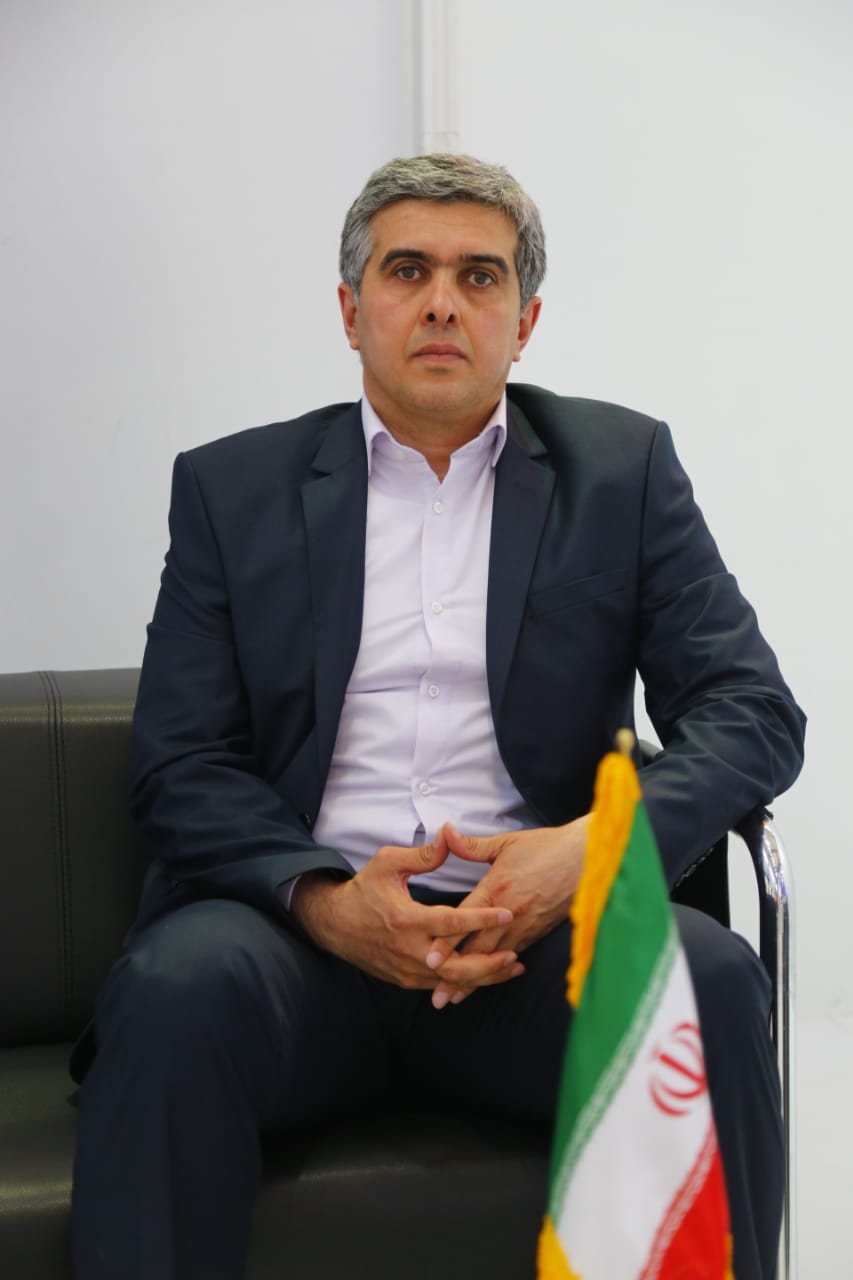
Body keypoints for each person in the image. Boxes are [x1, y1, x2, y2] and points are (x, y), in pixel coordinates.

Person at [70, 153, 805, 1280]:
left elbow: (751, 709)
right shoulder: (232, 490)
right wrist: (326, 901)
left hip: (536, 951)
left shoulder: (621, 473)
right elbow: (180, 762)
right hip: (297, 949)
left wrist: (590, 852)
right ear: (351, 310)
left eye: (480, 276)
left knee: (703, 983)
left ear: (525, 321)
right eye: (407, 270)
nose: (442, 303)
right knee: (172, 993)